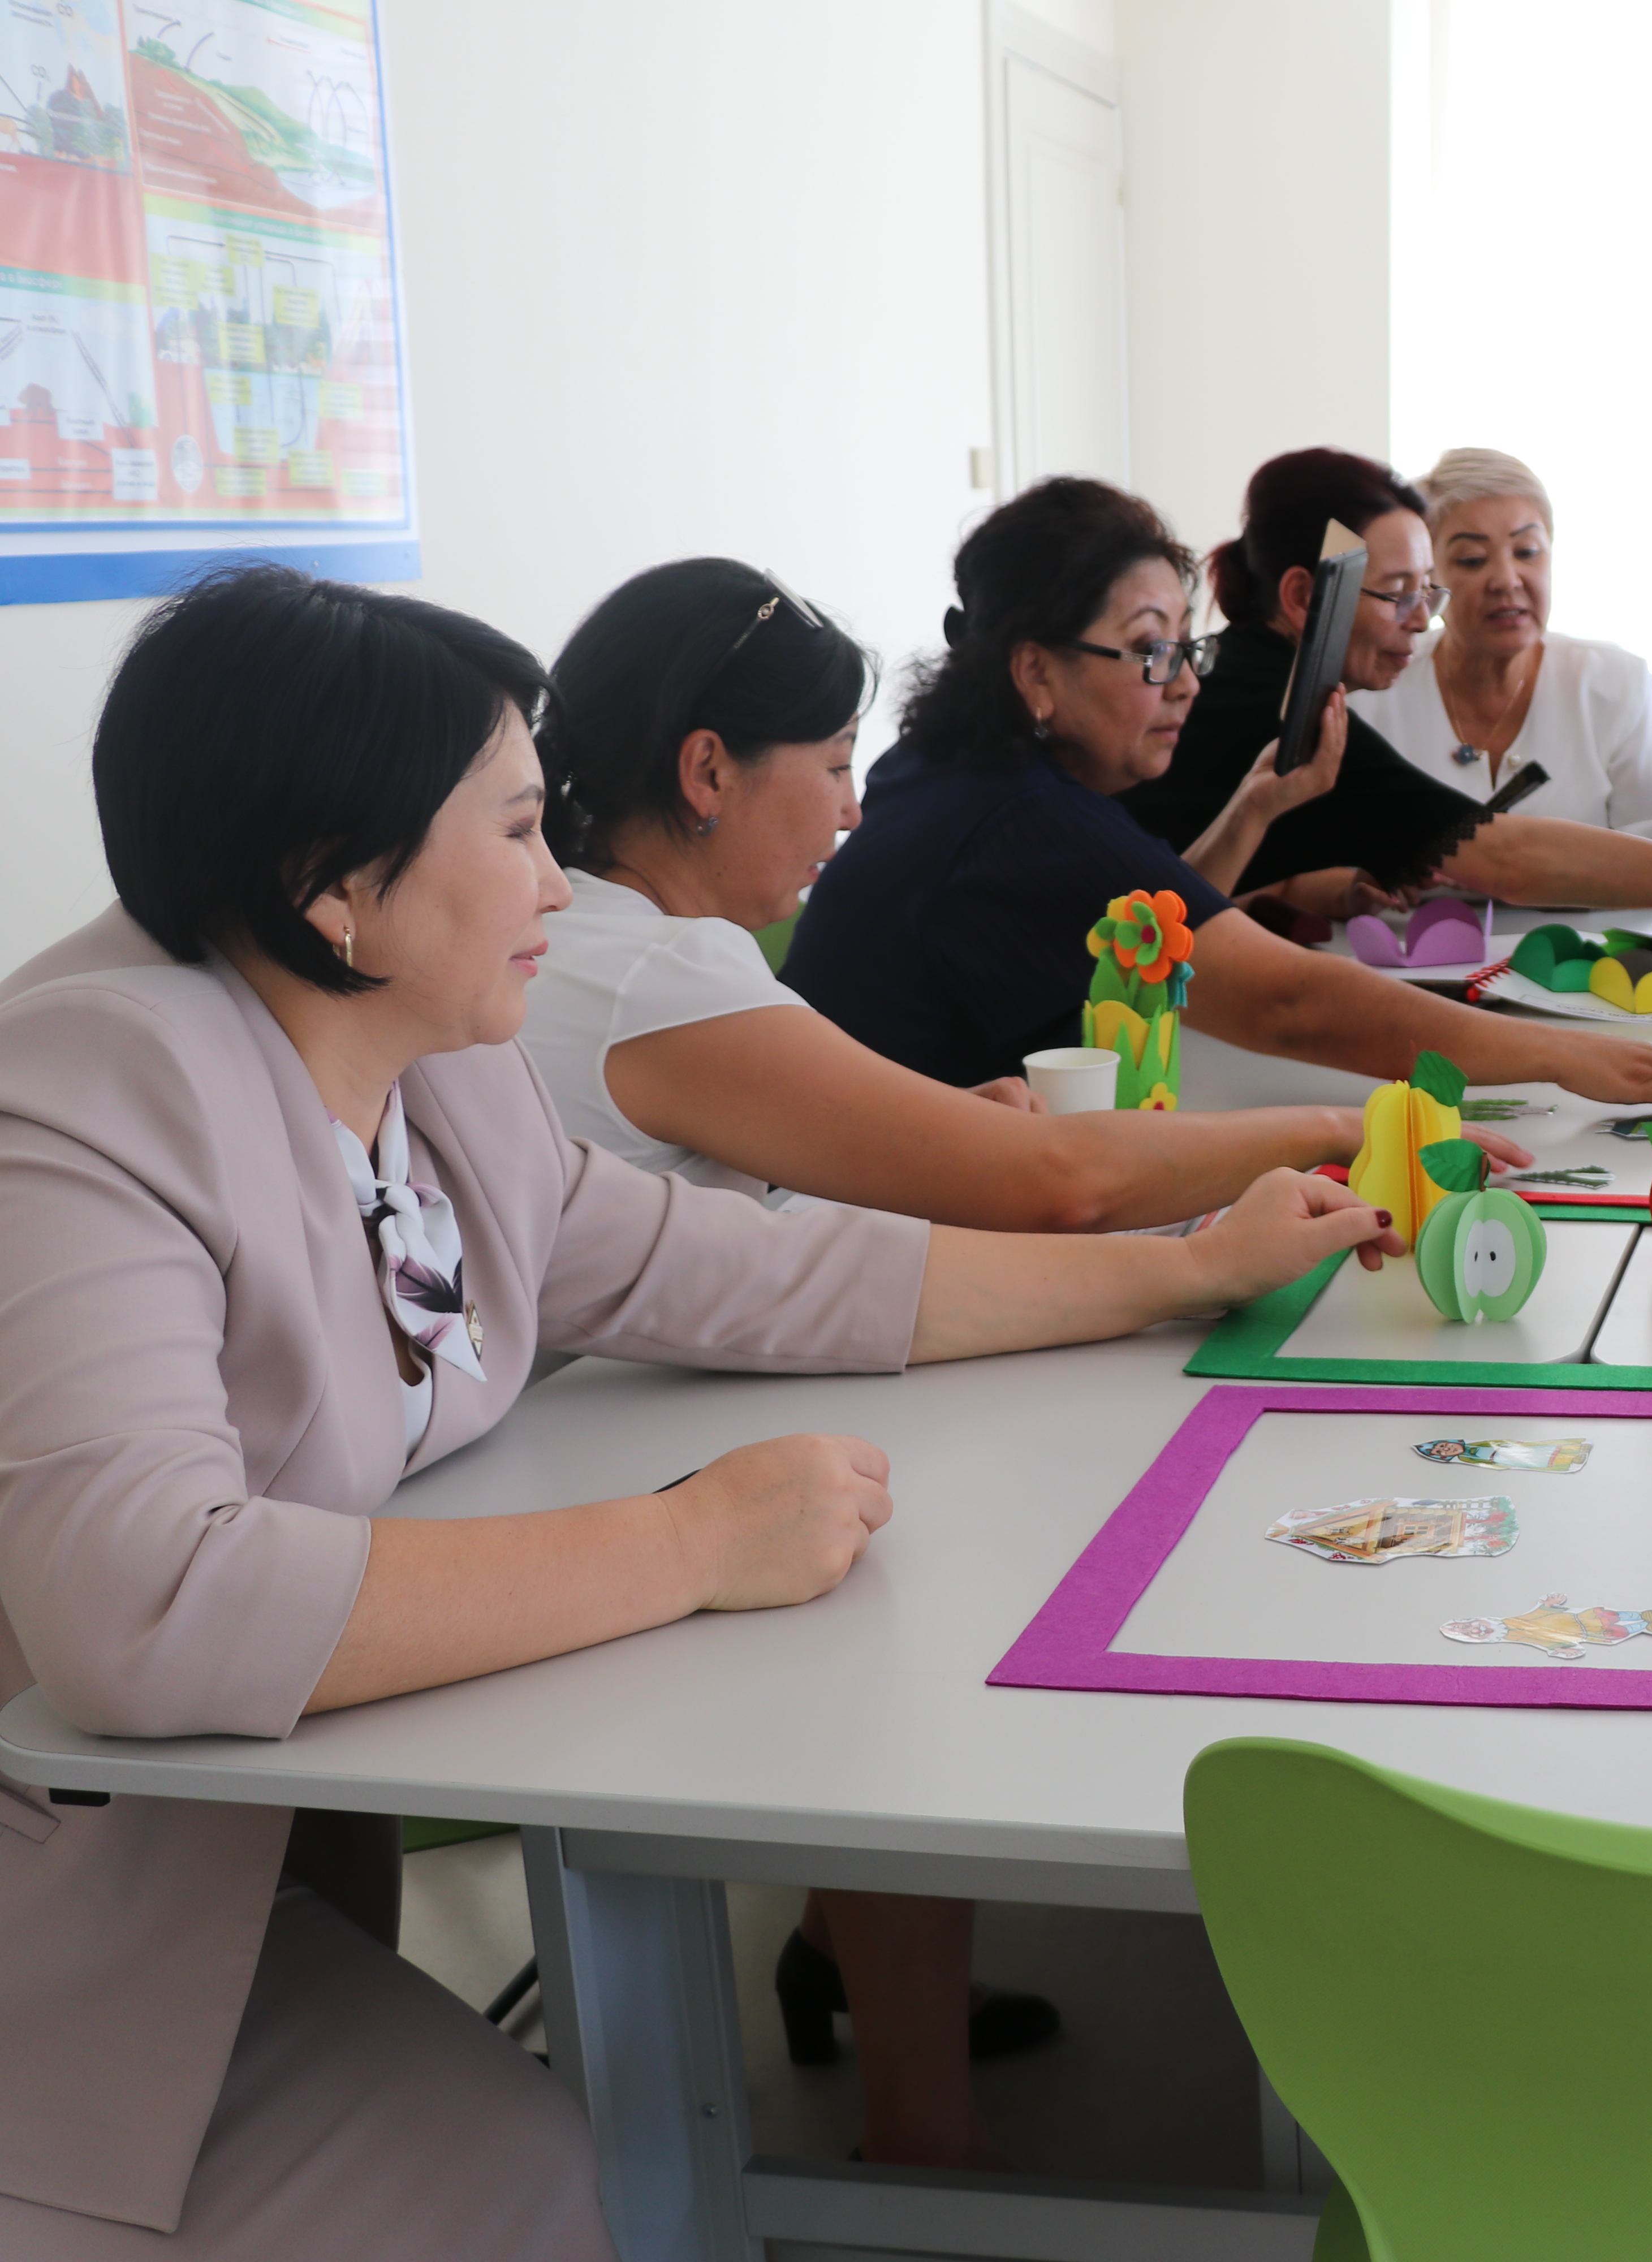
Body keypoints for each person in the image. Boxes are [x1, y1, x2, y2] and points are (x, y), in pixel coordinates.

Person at [0, 568, 1403, 2256]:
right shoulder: (85, 1094)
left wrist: (1178, 1276)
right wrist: (687, 1541)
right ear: (334, 881)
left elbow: (749, 1273)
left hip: (254, 1855)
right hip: (73, 1928)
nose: (556, 877)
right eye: (517, 831)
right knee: (534, 2184)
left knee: (559, 2169)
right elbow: (146, 1600)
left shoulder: (442, 1060)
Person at [779, 479, 1652, 1115]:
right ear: (1035, 672)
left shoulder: (951, 770)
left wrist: (1255, 812)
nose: (1183, 685)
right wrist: (1561, 1058)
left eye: (1184, 647)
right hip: (867, 1212)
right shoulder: (1022, 822)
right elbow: (1290, 1004)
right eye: (1150, 651)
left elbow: (1142, 934)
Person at [530, 557, 1441, 1227]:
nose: (850, 812)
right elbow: (1066, 1179)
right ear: (709, 772)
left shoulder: (587, 930)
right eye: (836, 765)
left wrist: (938, 1127)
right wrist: (1344, 1128)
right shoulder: (667, 971)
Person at [1128, 450, 1652, 951]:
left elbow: (1191, 891)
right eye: (1398, 594)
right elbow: (1507, 857)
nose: (1421, 619)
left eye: (1426, 594)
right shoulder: (1284, 704)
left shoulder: (1276, 688)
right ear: (1302, 597)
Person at [1347, 447, 1652, 841]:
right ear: (1430, 576)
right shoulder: (1374, 690)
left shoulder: (1614, 682)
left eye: (1527, 552)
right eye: (1472, 559)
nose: (1507, 580)